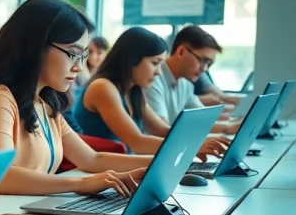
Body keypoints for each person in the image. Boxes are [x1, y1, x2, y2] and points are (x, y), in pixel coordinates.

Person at [0, 0, 150, 196]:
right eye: (72, 54)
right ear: (36, 46)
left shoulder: (45, 103)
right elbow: (0, 174)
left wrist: (157, 162)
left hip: (18, 212)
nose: (78, 67)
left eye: (82, 57)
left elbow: (92, 159)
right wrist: (79, 184)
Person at [75, 27, 230, 157]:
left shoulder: (134, 91)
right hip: (94, 173)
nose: (158, 72)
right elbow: (138, 142)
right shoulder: (103, 87)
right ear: (132, 59)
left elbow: (162, 130)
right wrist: (192, 146)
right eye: (155, 63)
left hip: (115, 171)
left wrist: (208, 140)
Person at [145, 25, 242, 133]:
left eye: (208, 63)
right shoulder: (152, 79)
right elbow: (162, 130)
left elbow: (202, 120)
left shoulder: (185, 84)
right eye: (202, 60)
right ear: (181, 51)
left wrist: (229, 127)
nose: (204, 69)